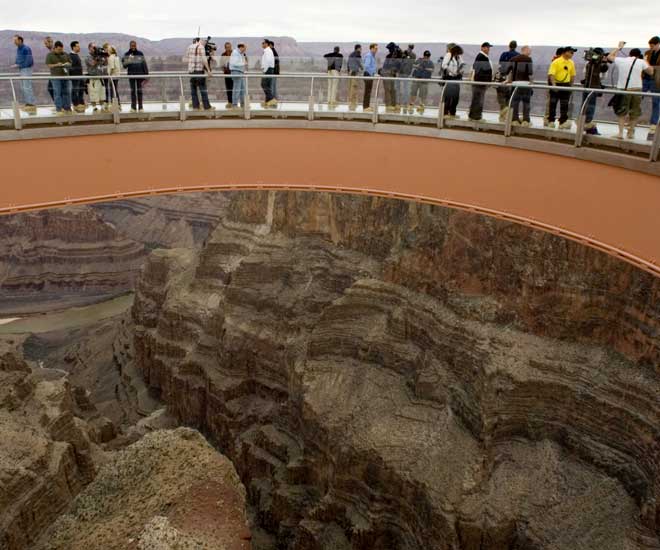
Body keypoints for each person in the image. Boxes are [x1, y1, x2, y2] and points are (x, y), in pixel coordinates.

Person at [607, 42, 653, 139]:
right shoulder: (641, 62)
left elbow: (610, 57)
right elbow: (651, 72)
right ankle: (631, 133)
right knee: (634, 112)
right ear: (638, 55)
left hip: (624, 90)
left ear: (630, 54)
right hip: (637, 90)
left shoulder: (621, 60)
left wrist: (619, 48)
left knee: (622, 112)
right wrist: (645, 60)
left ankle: (620, 133)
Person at [547, 46, 577, 129]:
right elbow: (551, 74)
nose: (572, 54)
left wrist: (571, 86)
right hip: (556, 84)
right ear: (564, 52)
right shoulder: (556, 62)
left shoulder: (571, 63)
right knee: (553, 104)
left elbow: (572, 75)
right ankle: (551, 121)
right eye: (570, 52)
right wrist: (553, 85)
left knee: (564, 105)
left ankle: (562, 122)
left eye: (572, 52)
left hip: (566, 85)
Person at [580, 47, 609, 135]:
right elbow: (603, 74)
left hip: (586, 87)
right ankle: (588, 126)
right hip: (593, 88)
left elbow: (585, 73)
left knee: (584, 106)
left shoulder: (588, 63)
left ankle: (584, 125)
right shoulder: (599, 64)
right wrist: (604, 62)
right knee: (591, 107)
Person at [507, 45, 534, 126]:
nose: (530, 52)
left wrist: (508, 80)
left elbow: (509, 71)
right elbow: (530, 73)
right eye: (529, 50)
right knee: (526, 102)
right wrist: (532, 82)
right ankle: (526, 120)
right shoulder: (528, 59)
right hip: (525, 84)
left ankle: (515, 120)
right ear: (525, 50)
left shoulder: (513, 59)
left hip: (515, 84)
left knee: (515, 102)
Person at [186, 38, 214, 111]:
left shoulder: (189, 46)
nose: (205, 43)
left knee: (193, 90)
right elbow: (204, 59)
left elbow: (187, 57)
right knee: (203, 89)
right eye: (204, 41)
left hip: (191, 71)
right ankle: (207, 107)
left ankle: (196, 107)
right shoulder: (201, 47)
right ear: (200, 41)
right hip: (199, 71)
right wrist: (208, 70)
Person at [468, 41, 494, 121]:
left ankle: (473, 116)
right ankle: (476, 117)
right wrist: (485, 81)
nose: (488, 49)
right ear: (482, 48)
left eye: (489, 47)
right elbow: (479, 70)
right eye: (487, 47)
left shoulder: (483, 56)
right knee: (478, 100)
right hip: (479, 83)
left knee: (477, 99)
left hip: (480, 82)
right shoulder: (481, 57)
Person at [11, 35, 36, 114]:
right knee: (23, 86)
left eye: (15, 40)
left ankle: (31, 103)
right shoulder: (19, 49)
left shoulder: (26, 48)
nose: (14, 42)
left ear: (20, 40)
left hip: (26, 69)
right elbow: (19, 58)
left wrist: (19, 65)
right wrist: (16, 64)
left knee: (27, 86)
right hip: (22, 69)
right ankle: (28, 103)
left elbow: (28, 61)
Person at [46, 40, 72, 115]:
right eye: (59, 49)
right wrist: (56, 65)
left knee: (66, 92)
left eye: (61, 49)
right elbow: (48, 65)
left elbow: (70, 63)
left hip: (65, 77)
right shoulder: (50, 55)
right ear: (55, 48)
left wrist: (67, 64)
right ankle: (59, 109)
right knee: (57, 93)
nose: (60, 51)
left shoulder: (66, 54)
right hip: (56, 77)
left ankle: (67, 108)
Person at [122, 40, 149, 112]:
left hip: (140, 75)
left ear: (136, 46)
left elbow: (144, 64)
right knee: (133, 91)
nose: (133, 47)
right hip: (131, 75)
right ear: (130, 46)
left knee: (139, 91)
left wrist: (147, 75)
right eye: (132, 46)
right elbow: (124, 66)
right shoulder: (126, 54)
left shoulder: (140, 53)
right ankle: (133, 107)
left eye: (134, 45)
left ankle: (140, 107)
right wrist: (129, 60)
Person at [496, 40, 519, 121]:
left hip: (502, 78)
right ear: (516, 46)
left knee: (501, 98)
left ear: (509, 46)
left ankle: (502, 116)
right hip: (513, 80)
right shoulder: (518, 55)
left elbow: (500, 66)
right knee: (510, 99)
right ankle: (509, 117)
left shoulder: (504, 54)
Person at [441, 44, 466, 118]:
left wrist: (460, 71)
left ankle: (452, 113)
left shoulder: (458, 57)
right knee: (448, 96)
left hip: (456, 78)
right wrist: (452, 71)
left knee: (456, 97)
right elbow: (444, 65)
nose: (458, 54)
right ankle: (445, 113)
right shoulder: (449, 55)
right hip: (450, 78)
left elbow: (462, 64)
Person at [644, 36, 660, 141]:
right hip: (646, 78)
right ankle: (630, 122)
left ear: (658, 44)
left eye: (653, 46)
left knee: (656, 102)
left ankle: (653, 125)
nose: (651, 48)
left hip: (656, 80)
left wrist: (651, 66)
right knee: (636, 98)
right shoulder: (648, 53)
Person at [85, 42, 107, 112]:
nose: (94, 49)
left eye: (95, 47)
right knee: (93, 94)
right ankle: (94, 108)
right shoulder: (88, 57)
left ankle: (103, 107)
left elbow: (105, 63)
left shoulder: (99, 56)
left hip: (100, 77)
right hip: (93, 78)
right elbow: (93, 63)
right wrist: (97, 57)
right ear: (89, 48)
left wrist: (104, 56)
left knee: (102, 93)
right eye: (93, 47)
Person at [381, 42, 401, 112]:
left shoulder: (394, 55)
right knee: (388, 89)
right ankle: (388, 105)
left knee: (392, 90)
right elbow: (388, 65)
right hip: (387, 73)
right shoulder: (389, 56)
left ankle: (393, 104)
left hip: (392, 74)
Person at [397, 44, 416, 113]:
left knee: (405, 90)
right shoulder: (404, 53)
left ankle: (404, 103)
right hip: (401, 72)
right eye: (409, 47)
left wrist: (407, 56)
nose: (410, 48)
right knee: (399, 88)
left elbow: (411, 63)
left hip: (406, 73)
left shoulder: (413, 55)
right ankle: (398, 103)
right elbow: (400, 61)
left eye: (411, 47)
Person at [229, 43, 248, 109]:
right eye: (244, 49)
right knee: (236, 89)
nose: (245, 50)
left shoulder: (240, 54)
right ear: (241, 47)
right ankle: (234, 104)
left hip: (241, 72)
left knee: (243, 89)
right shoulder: (235, 53)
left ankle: (243, 104)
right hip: (236, 72)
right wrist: (244, 63)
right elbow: (234, 63)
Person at [69, 41, 85, 112]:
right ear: (73, 47)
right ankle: (76, 104)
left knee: (81, 89)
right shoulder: (71, 56)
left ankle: (81, 103)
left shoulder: (76, 55)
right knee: (75, 90)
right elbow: (71, 67)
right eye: (77, 46)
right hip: (75, 77)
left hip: (80, 76)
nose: (79, 47)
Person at [347, 44, 363, 111]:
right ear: (358, 48)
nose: (361, 50)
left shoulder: (351, 54)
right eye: (360, 48)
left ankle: (350, 102)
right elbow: (360, 63)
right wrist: (362, 68)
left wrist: (348, 70)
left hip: (350, 72)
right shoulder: (358, 54)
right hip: (355, 73)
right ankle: (353, 103)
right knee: (354, 88)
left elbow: (348, 63)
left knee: (350, 88)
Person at [261, 39, 276, 107]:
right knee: (268, 86)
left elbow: (268, 61)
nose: (262, 44)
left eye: (263, 43)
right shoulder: (268, 50)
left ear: (266, 44)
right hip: (269, 69)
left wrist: (264, 70)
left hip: (268, 70)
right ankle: (267, 101)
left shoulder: (267, 51)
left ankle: (272, 99)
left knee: (263, 84)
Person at [363, 43, 378, 112]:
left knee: (368, 91)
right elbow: (366, 66)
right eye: (375, 48)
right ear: (371, 48)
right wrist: (373, 73)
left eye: (377, 49)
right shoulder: (369, 56)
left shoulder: (372, 56)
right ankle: (365, 107)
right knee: (367, 91)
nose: (376, 50)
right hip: (368, 74)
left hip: (370, 75)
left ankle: (367, 106)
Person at [220, 42, 233, 108]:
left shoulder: (234, 53)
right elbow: (221, 64)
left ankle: (234, 103)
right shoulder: (223, 54)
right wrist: (224, 70)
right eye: (227, 47)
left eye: (229, 47)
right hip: (227, 74)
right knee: (228, 88)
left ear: (231, 47)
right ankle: (229, 102)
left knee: (234, 89)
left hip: (233, 74)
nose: (228, 48)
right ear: (225, 48)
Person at [44, 36, 55, 102]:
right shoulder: (51, 51)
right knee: (51, 88)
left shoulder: (54, 51)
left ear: (50, 42)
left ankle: (59, 105)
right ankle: (58, 104)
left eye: (46, 43)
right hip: (53, 74)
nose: (45, 45)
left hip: (56, 74)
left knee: (51, 88)